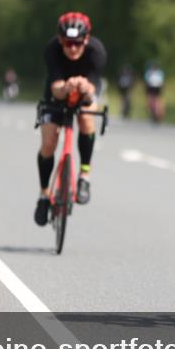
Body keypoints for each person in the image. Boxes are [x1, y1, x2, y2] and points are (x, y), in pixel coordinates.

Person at [34, 11, 107, 226]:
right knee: (48, 143)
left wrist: (85, 88)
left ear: (86, 39)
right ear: (60, 40)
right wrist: (65, 88)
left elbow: (93, 86)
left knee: (86, 118)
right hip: (57, 91)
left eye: (77, 43)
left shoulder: (96, 51)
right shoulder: (52, 50)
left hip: (86, 91)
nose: (72, 48)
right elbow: (55, 88)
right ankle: (44, 194)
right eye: (67, 43)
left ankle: (84, 175)